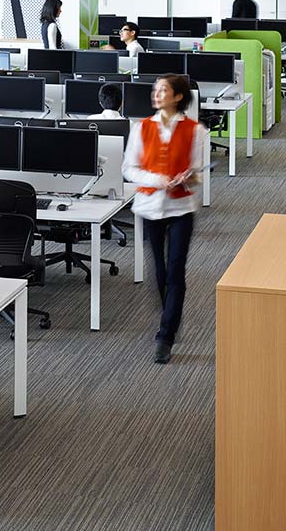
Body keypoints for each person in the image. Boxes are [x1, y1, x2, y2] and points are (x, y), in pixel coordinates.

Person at [122, 74, 207, 364]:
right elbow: (129, 170)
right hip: (150, 204)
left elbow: (197, 173)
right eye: (155, 90)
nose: (156, 94)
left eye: (163, 90)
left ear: (178, 96)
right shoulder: (141, 128)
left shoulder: (196, 131)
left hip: (181, 207)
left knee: (175, 271)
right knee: (159, 270)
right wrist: (159, 179)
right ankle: (170, 313)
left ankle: (165, 335)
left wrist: (190, 177)